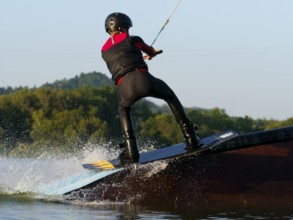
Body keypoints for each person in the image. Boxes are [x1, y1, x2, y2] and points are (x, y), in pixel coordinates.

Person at [101, 12, 199, 165]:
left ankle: (131, 151)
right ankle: (191, 137)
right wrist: (151, 54)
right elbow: (150, 51)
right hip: (144, 81)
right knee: (170, 96)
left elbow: (120, 60)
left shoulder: (104, 51)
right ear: (123, 28)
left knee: (123, 109)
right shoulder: (134, 39)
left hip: (124, 88)